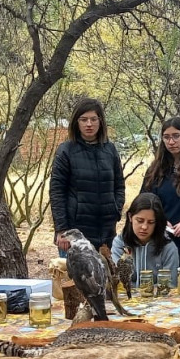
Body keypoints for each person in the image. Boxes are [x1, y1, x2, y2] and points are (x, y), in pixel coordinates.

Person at [49, 98, 125, 254]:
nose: (89, 124)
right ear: (77, 122)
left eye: (93, 119)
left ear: (100, 121)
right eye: (84, 120)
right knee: (73, 278)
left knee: (107, 277)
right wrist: (61, 229)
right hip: (75, 235)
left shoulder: (110, 150)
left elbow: (119, 185)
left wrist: (115, 210)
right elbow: (57, 192)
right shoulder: (66, 151)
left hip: (106, 234)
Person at [111, 193, 180, 288]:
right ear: (130, 217)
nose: (144, 227)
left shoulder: (168, 248)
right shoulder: (120, 243)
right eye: (140, 221)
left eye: (151, 222)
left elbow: (171, 285)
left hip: (159, 300)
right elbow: (117, 281)